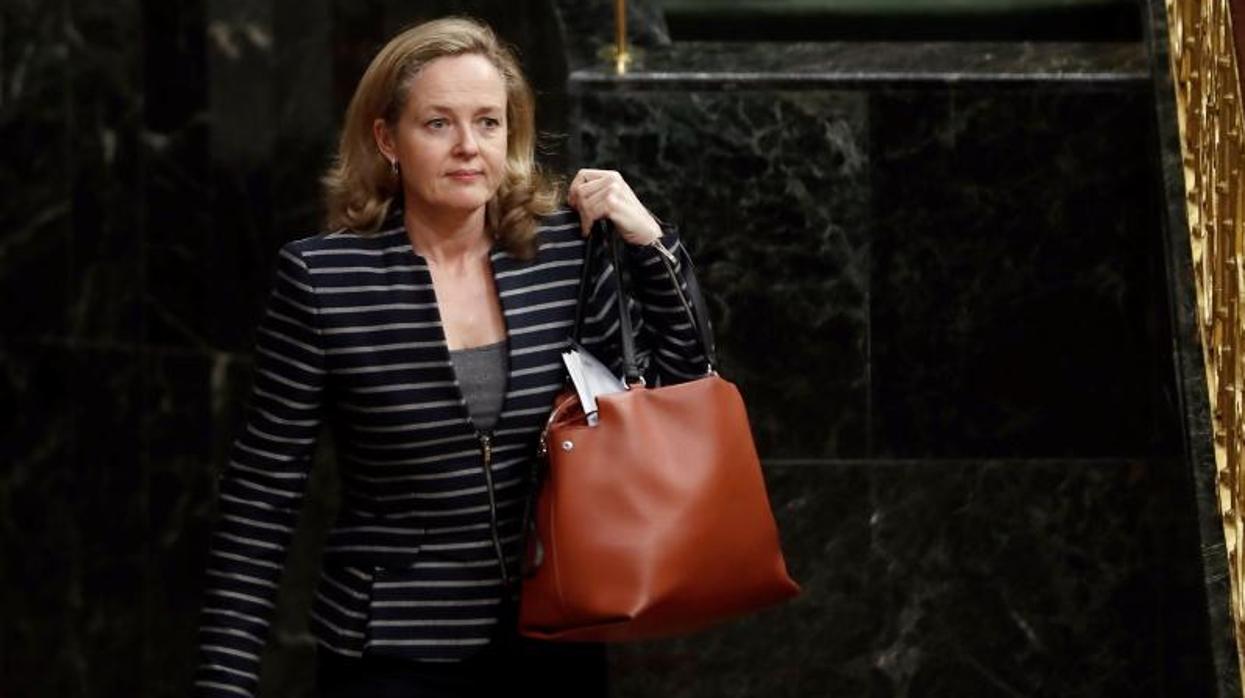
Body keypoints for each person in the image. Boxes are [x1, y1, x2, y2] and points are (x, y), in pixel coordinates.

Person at [193, 16, 708, 698]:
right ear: (387, 139)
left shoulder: (563, 255)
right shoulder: (323, 280)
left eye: (488, 122)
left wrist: (650, 243)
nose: (468, 146)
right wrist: (224, 680)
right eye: (438, 123)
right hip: (391, 649)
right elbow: (263, 491)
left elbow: (682, 386)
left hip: (554, 634)